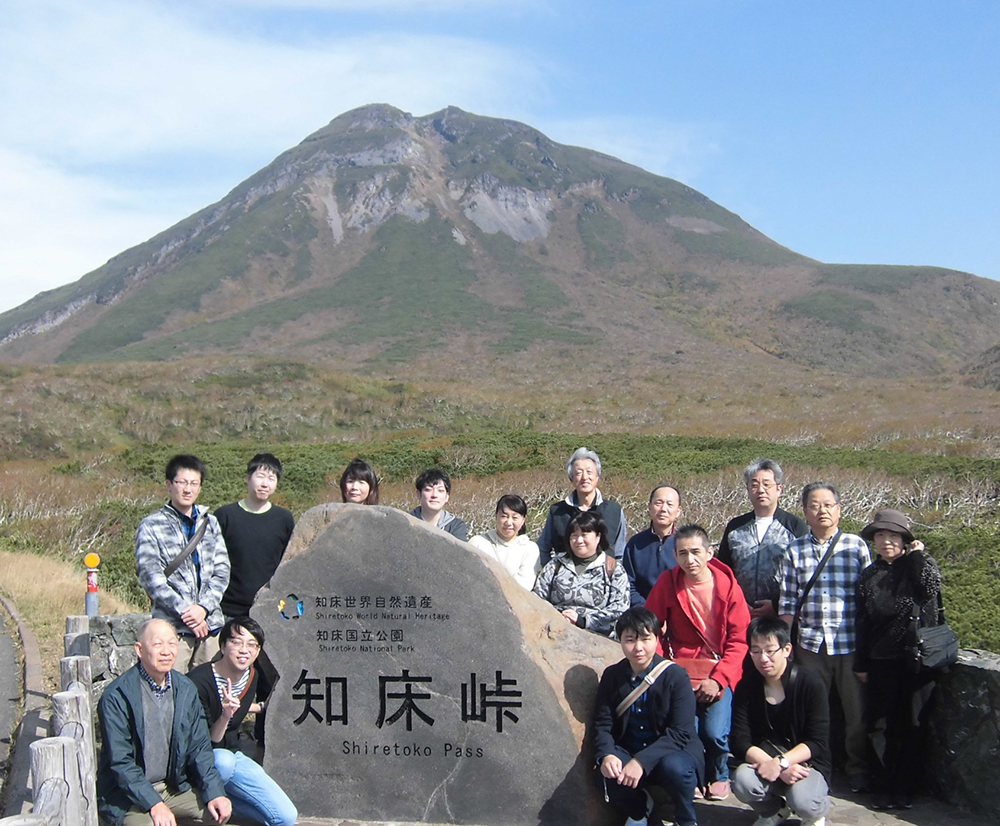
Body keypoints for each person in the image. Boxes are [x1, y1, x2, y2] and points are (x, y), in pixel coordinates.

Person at [778, 482, 872, 792]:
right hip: (809, 645)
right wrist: (785, 645)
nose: (822, 510)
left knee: (855, 712)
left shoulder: (856, 546)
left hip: (849, 645)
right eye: (815, 505)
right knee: (813, 712)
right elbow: (788, 602)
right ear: (804, 511)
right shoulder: (795, 549)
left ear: (839, 509)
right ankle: (818, 768)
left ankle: (857, 767)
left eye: (829, 504)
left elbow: (869, 599)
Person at [645, 524, 750, 801]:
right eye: (682, 553)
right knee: (685, 730)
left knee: (716, 733)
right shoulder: (668, 582)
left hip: (718, 670)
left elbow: (739, 640)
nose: (689, 560)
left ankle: (719, 775)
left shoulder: (729, 587)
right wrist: (661, 668)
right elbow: (649, 627)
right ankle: (691, 776)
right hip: (680, 669)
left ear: (709, 552)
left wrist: (719, 679)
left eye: (695, 552)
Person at [96, 618, 232, 826]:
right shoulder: (117, 696)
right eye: (158, 644)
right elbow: (121, 762)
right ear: (139, 650)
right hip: (128, 795)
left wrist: (215, 792)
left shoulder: (185, 689)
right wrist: (154, 804)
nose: (166, 651)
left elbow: (200, 749)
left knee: (218, 814)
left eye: (171, 643)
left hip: (173, 787)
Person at [854, 509, 942, 810]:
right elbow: (863, 620)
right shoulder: (869, 575)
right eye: (880, 535)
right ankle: (882, 786)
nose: (886, 541)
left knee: (912, 724)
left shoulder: (919, 565)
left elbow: (929, 589)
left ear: (905, 539)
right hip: (881, 659)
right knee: (879, 724)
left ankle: (906, 788)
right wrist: (861, 662)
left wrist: (917, 556)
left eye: (893, 535)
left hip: (917, 659)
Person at [593, 606, 704, 826]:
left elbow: (681, 733)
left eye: (645, 639)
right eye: (630, 640)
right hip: (630, 747)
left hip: (672, 752)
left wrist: (641, 762)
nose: (638, 648)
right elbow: (602, 724)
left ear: (657, 638)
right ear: (620, 640)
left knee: (676, 768)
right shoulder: (612, 676)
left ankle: (686, 819)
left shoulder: (676, 676)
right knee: (605, 773)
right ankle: (639, 809)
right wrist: (606, 754)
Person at [188, 618, 298, 826]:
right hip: (202, 760)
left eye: (251, 645)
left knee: (285, 817)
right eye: (237, 642)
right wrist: (225, 715)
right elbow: (206, 742)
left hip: (233, 756)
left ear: (257, 652)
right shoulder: (198, 682)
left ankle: (227, 804)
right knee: (223, 761)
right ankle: (198, 799)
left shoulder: (252, 675)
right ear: (223, 646)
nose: (244, 650)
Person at [730, 615, 831, 826]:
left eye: (769, 650)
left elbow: (817, 741)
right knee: (742, 781)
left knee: (804, 801)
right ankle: (775, 811)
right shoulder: (746, 686)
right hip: (766, 762)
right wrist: (772, 764)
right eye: (756, 651)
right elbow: (739, 741)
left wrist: (783, 763)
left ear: (786, 650)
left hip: (806, 765)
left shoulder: (810, 683)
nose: (763, 658)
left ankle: (815, 814)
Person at [136, 454, 230, 670]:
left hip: (210, 627)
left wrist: (204, 608)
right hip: (172, 629)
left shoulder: (210, 522)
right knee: (171, 690)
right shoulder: (151, 525)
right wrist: (189, 613)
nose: (188, 489)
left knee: (209, 695)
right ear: (169, 484)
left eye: (194, 483)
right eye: (182, 482)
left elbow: (222, 571)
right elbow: (151, 577)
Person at [717, 458, 808, 618]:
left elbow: (804, 573)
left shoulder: (795, 526)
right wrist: (738, 602)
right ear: (747, 489)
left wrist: (775, 605)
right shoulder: (735, 527)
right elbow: (724, 571)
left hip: (782, 616)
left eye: (767, 484)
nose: (760, 490)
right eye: (754, 485)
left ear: (779, 489)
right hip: (740, 613)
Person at [217, 453, 295, 620]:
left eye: (271, 478)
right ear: (248, 478)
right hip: (227, 611)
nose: (265, 484)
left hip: (269, 610)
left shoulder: (284, 519)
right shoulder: (225, 516)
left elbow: (289, 563)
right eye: (260, 476)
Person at [532, 511, 629, 636]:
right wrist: (558, 617)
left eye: (584, 534)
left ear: (598, 537)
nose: (579, 540)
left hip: (598, 636)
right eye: (574, 535)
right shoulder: (556, 564)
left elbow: (620, 608)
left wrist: (583, 621)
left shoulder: (613, 569)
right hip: (554, 630)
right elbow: (537, 597)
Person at [537, 447, 627, 565]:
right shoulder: (557, 512)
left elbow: (620, 553)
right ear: (571, 479)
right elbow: (543, 548)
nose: (585, 477)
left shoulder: (614, 510)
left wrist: (613, 576)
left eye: (589, 472)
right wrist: (553, 573)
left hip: (603, 581)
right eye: (578, 473)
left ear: (597, 476)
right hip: (566, 581)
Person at [622, 485, 683, 607]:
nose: (663, 509)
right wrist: (647, 611)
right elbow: (628, 584)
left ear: (678, 511)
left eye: (670, 504)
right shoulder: (635, 544)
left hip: (679, 612)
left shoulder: (685, 544)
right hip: (642, 613)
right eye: (658, 503)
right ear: (650, 507)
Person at [469, 494, 541, 589]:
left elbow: (525, 586)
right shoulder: (478, 542)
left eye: (515, 518)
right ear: (496, 516)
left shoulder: (530, 549)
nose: (508, 522)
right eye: (504, 516)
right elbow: (468, 576)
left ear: (523, 520)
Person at [410, 468, 468, 540]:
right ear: (418, 494)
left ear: (447, 496)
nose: (434, 495)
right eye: (428, 490)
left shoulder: (456, 527)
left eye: (440, 490)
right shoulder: (405, 522)